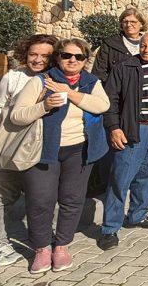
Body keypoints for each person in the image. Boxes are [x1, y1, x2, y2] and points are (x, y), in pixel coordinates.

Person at [11, 38, 109, 273]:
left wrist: (69, 93)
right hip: (44, 150)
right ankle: (42, 248)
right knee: (40, 201)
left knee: (72, 200)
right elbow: (17, 116)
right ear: (58, 57)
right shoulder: (42, 81)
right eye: (67, 55)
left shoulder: (90, 82)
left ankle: (62, 246)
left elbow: (101, 106)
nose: (72, 60)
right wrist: (43, 107)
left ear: (85, 60)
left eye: (78, 57)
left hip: (79, 150)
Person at [99, 32, 148, 250]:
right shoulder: (125, 67)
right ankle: (109, 228)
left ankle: (138, 215)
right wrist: (114, 128)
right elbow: (111, 101)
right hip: (135, 130)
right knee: (120, 178)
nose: (145, 49)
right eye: (143, 45)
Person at [0, 34, 57, 267]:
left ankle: (41, 241)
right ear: (25, 54)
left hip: (41, 148)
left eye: (45, 56)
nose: (38, 60)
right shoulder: (12, 77)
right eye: (33, 54)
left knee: (40, 197)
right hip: (11, 145)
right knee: (2, 197)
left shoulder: (55, 79)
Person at [92, 8, 147, 83]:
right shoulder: (110, 44)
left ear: (141, 24)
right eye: (125, 22)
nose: (128, 25)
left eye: (133, 22)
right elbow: (99, 72)